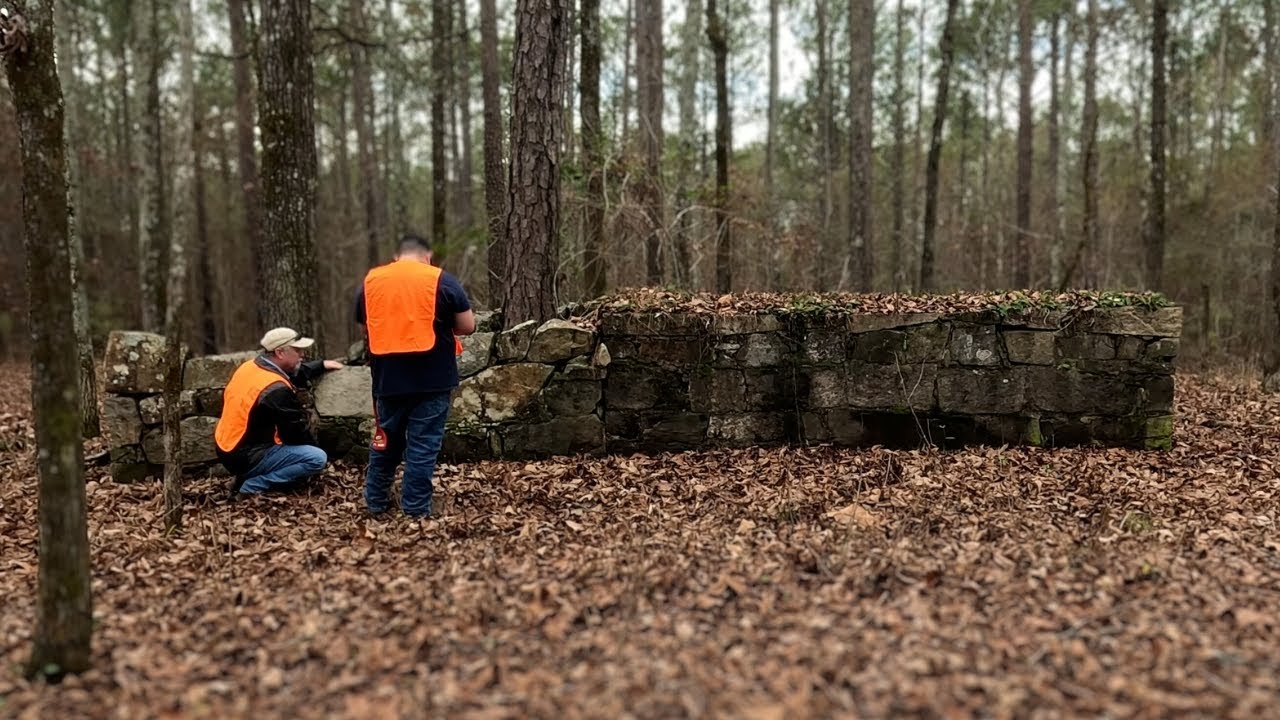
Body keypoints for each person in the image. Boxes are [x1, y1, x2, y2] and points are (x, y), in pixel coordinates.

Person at [355, 233, 476, 517]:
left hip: (387, 379)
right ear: (427, 255)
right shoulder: (441, 280)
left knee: (386, 441)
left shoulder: (371, 282)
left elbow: (366, 325)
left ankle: (375, 502)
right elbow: (467, 326)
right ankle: (416, 509)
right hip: (432, 377)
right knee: (422, 446)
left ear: (397, 256)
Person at [214, 327, 344, 498]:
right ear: (280, 352)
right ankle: (253, 484)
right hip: (247, 455)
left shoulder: (251, 367)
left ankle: (245, 476)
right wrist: (320, 456)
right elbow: (295, 433)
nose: (302, 354)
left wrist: (321, 365)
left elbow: (291, 374)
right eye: (297, 350)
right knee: (316, 458)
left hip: (227, 447)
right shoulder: (276, 390)